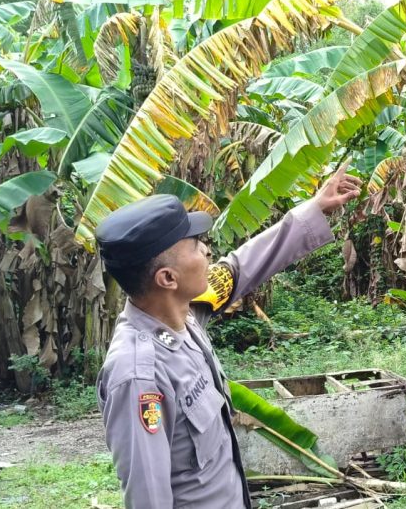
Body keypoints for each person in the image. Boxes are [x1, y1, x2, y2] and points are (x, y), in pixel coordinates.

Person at [95, 166, 361, 508]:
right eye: (196, 245)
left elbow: (239, 268)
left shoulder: (187, 313)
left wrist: (314, 209)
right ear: (167, 278)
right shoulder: (137, 376)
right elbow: (148, 498)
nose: (208, 252)